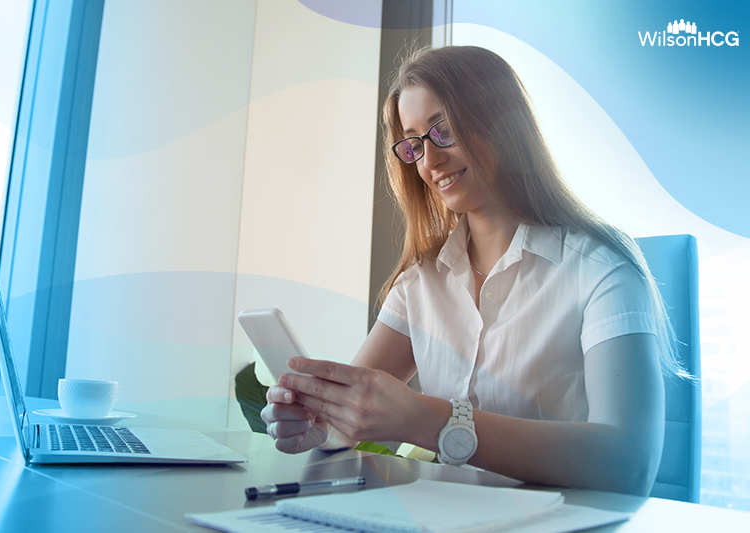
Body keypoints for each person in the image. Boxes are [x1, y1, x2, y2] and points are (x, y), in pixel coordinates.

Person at [261, 46, 683, 496]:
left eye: (442, 130)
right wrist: (320, 428)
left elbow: (629, 463)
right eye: (414, 143)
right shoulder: (419, 284)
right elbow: (352, 412)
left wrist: (431, 421)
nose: (429, 161)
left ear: (501, 120)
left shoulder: (601, 272)